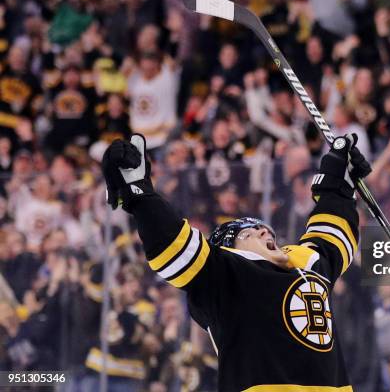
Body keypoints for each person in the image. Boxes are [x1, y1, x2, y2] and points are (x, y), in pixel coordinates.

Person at [102, 133, 371, 391]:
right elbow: (174, 248)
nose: (266, 232)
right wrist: (141, 197)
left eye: (267, 231)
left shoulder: (306, 263)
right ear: (229, 249)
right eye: (248, 233)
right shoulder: (225, 275)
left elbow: (332, 235)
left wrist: (337, 182)